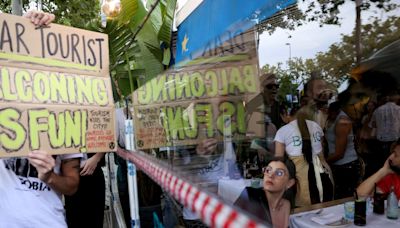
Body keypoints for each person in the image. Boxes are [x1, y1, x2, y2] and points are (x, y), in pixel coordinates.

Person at [0, 11, 82, 228]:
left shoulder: (65, 116)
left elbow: (72, 185)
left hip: (48, 222)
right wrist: (23, 28)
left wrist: (49, 177)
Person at [274, 107, 333, 206]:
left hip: (301, 182)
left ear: (287, 115)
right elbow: (323, 151)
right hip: (324, 175)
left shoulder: (283, 131)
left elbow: (278, 162)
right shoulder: (316, 126)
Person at [234, 156, 296, 227]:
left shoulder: (286, 204)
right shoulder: (250, 196)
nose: (270, 175)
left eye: (279, 173)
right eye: (268, 170)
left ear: (289, 183)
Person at [325, 97, 361, 199]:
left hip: (346, 166)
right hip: (339, 165)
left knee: (344, 199)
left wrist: (323, 162)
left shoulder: (342, 122)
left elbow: (339, 153)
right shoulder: (334, 119)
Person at [64, 152, 106, 228]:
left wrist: (96, 158)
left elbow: (108, 142)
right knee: (74, 221)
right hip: (71, 177)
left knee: (95, 220)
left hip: (93, 173)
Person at [369, 91, 400, 167]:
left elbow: (372, 125)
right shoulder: (399, 109)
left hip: (381, 141)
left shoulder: (377, 110)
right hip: (395, 141)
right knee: (395, 162)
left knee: (383, 162)